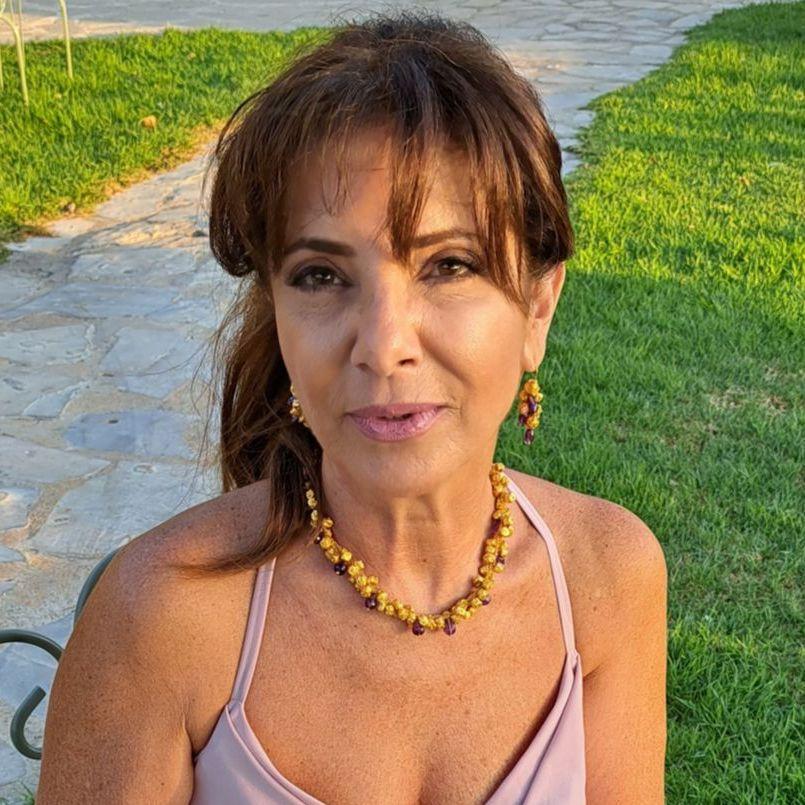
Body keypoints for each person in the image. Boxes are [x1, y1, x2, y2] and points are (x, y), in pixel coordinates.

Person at [36, 9, 667, 804]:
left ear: (537, 306)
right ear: (277, 309)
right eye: (321, 275)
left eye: (448, 264)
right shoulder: (162, 618)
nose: (382, 343)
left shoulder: (607, 575)